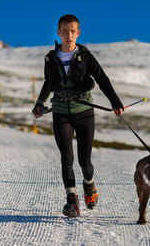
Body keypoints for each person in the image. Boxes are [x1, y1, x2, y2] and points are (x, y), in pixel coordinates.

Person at [32, 14, 124, 217]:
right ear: (58, 32)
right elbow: (49, 82)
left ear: (78, 33)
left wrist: (115, 103)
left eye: (72, 31)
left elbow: (102, 79)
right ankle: (72, 201)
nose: (68, 35)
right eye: (64, 31)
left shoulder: (86, 56)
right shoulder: (50, 58)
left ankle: (89, 186)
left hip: (84, 113)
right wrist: (40, 103)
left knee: (85, 162)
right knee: (67, 158)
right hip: (61, 113)